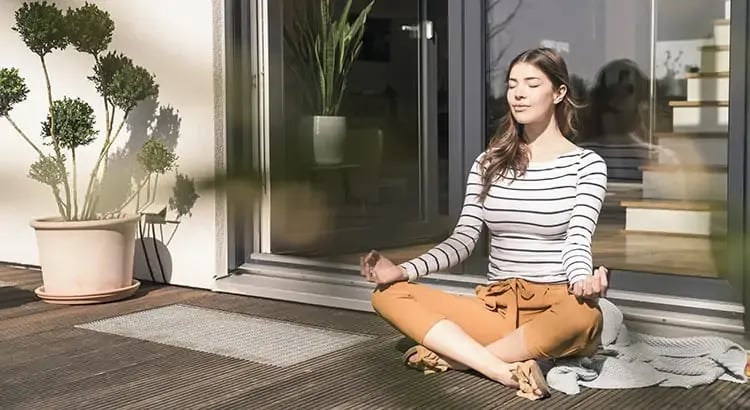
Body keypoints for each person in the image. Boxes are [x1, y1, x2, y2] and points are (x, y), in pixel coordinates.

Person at [360, 47, 610, 401]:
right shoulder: (488, 162)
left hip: (554, 304)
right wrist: (403, 271)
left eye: (531, 83)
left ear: (559, 93)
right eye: (512, 85)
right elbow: (462, 240)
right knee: (388, 295)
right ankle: (501, 369)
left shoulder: (587, 165)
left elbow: (577, 240)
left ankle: (458, 357)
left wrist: (582, 280)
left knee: (585, 318)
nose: (518, 93)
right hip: (495, 305)